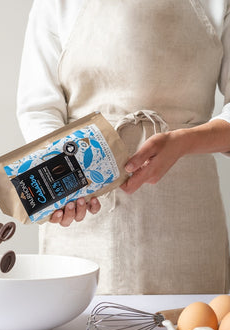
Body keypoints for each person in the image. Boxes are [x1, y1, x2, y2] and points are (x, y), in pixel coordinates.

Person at [16, 0, 230, 295]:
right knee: (78, 329)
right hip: (86, 203)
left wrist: (183, 142)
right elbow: (38, 109)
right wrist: (62, 180)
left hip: (186, 217)